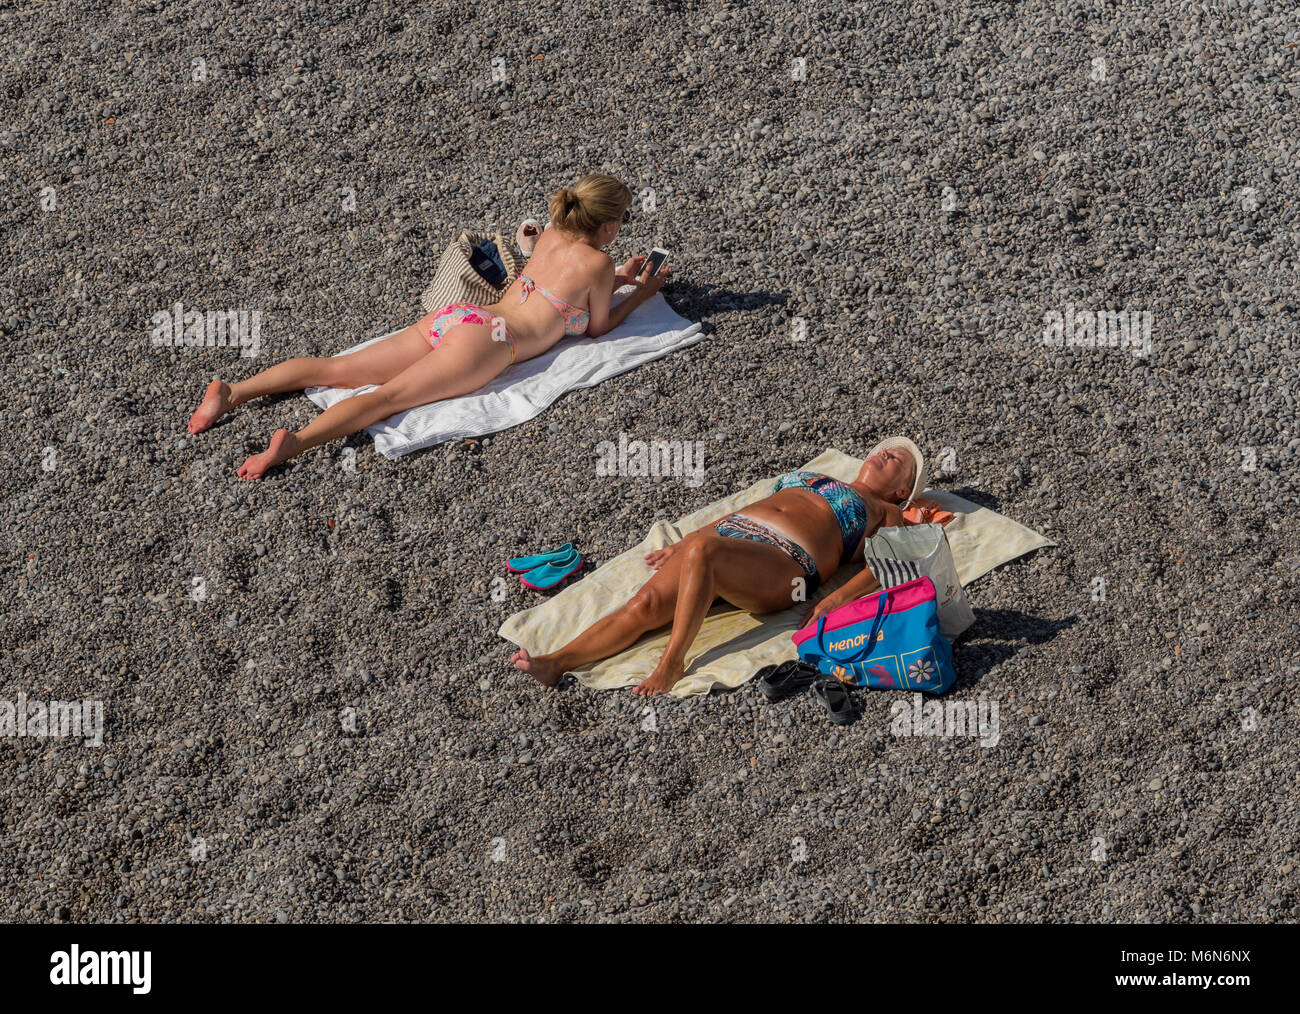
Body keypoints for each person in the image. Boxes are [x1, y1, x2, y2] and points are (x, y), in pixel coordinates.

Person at [186, 173, 670, 479]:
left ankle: (233, 392)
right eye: (623, 218)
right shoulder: (599, 265)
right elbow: (597, 330)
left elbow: (551, 286)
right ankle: (295, 444)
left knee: (339, 368)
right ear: (607, 226)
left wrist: (620, 278)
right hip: (491, 342)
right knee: (385, 399)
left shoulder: (550, 237)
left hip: (459, 316)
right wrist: (640, 291)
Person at [511, 438, 927, 696]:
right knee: (644, 605)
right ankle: (558, 662)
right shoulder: (819, 475)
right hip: (732, 535)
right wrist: (688, 541)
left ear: (901, 489)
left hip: (784, 562)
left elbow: (887, 561)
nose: (887, 452)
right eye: (885, 449)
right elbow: (750, 508)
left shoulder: (883, 509)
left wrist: (833, 600)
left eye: (898, 461)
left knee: (704, 554)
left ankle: (673, 661)